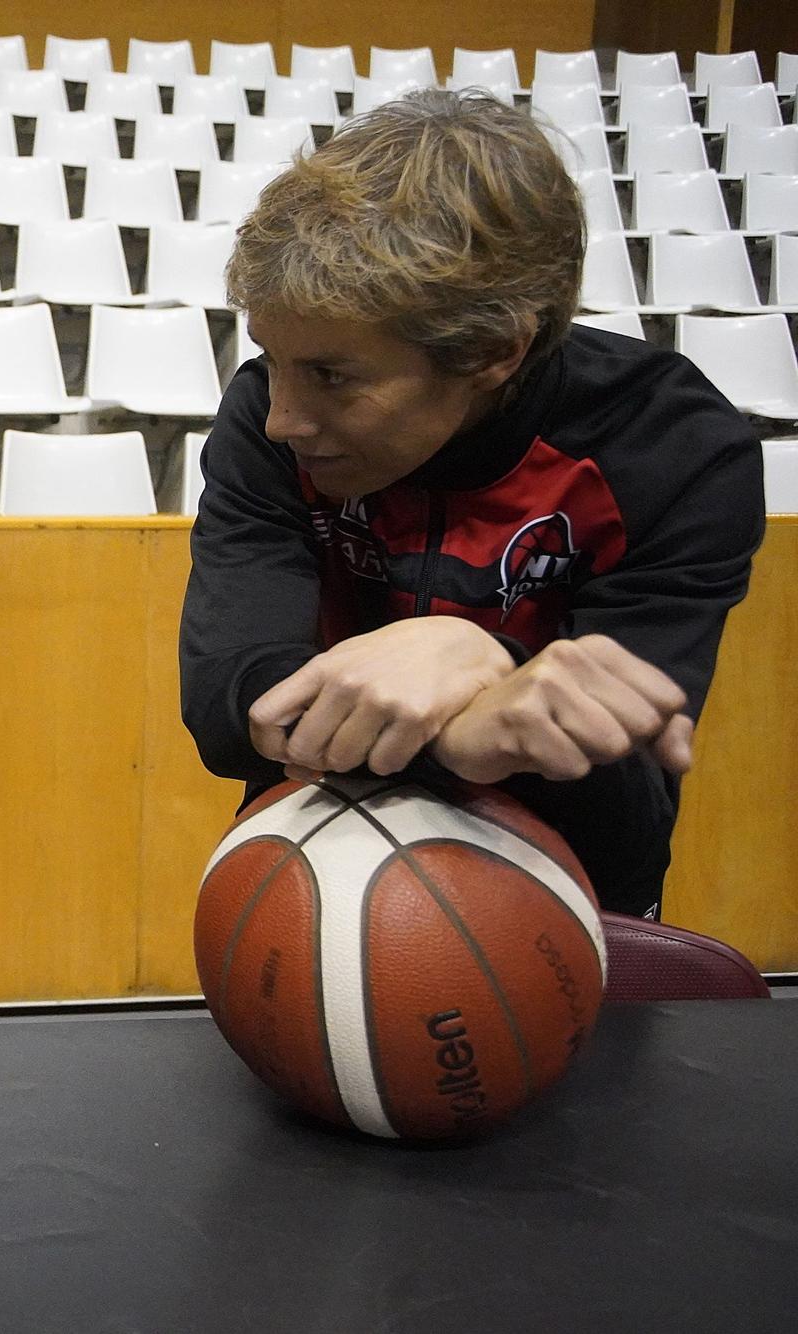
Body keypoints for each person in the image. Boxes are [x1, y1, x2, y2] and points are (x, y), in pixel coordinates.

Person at [180, 90, 764, 918]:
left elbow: (628, 812)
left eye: (332, 376)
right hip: (314, 892)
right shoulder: (268, 427)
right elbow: (229, 708)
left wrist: (482, 668)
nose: (282, 417)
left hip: (568, 908)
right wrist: (465, 722)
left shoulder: (671, 450)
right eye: (272, 359)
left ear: (494, 350)